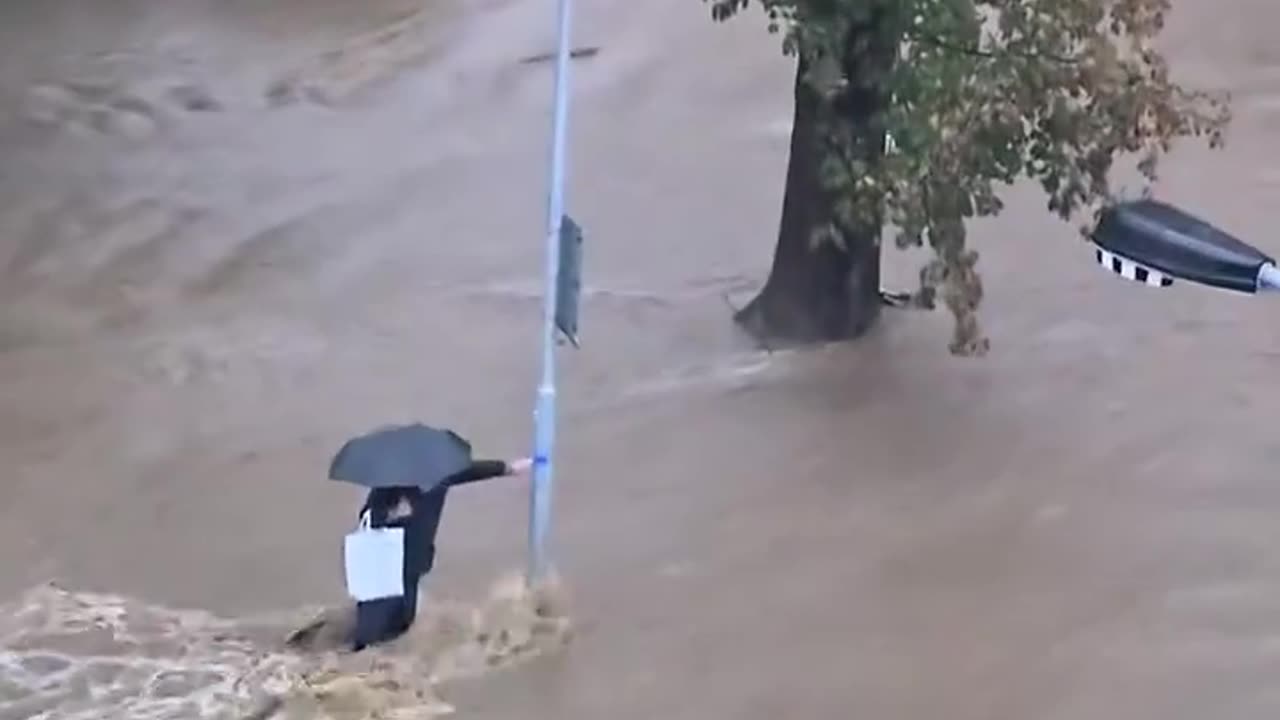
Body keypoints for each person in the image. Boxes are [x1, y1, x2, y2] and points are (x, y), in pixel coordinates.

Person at [351, 456, 532, 651]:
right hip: (385, 556)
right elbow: (369, 516)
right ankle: (366, 656)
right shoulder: (391, 484)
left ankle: (370, 654)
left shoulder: (436, 474)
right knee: (381, 629)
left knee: (395, 622)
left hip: (400, 559)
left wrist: (507, 468)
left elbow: (469, 470)